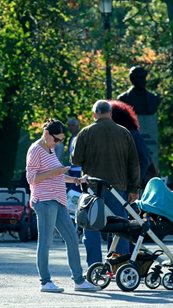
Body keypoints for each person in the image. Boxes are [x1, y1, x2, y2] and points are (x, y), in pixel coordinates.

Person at [26, 118, 99, 293]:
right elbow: (32, 179)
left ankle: (79, 281)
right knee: (45, 241)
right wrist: (56, 172)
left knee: (72, 238)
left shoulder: (51, 149)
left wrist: (75, 179)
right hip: (44, 201)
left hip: (58, 201)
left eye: (61, 140)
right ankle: (45, 282)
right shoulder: (36, 150)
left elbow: (56, 176)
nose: (59, 143)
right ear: (46, 134)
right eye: (56, 139)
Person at [71, 100, 141, 266]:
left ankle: (95, 267)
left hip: (93, 189)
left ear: (94, 114)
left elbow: (76, 160)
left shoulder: (85, 133)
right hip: (119, 188)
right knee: (120, 228)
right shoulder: (124, 133)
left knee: (91, 228)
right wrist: (134, 188)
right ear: (110, 113)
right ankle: (119, 265)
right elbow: (134, 163)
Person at [118, 66, 161, 167]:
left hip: (150, 139)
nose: (143, 81)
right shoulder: (123, 99)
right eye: (140, 78)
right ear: (133, 80)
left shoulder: (153, 99)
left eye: (144, 78)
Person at [109, 100, 151, 186]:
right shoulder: (118, 134)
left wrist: (133, 183)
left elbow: (144, 159)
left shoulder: (132, 134)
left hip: (129, 187)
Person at [65, 117, 81, 191]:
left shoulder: (81, 137)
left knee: (74, 192)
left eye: (71, 125)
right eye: (68, 126)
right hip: (72, 170)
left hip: (79, 170)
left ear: (77, 126)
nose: (70, 128)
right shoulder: (71, 138)